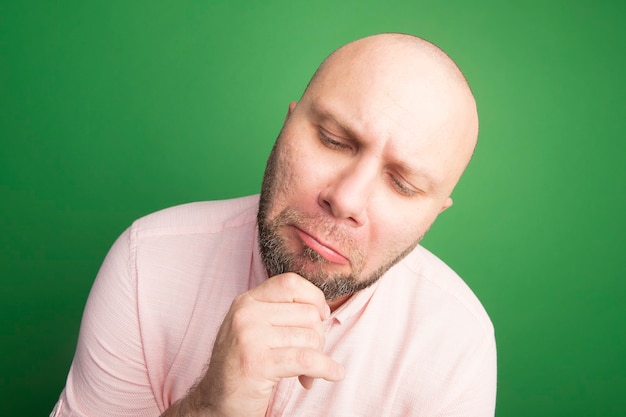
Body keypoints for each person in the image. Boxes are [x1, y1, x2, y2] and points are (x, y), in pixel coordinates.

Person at [51, 33, 496, 417]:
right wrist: (208, 406)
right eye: (333, 140)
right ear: (288, 125)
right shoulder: (147, 261)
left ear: (432, 216)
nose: (345, 199)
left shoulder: (456, 343)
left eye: (402, 184)